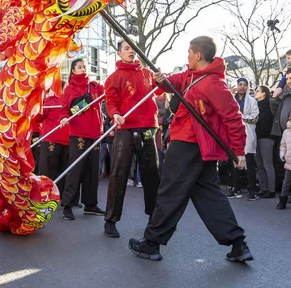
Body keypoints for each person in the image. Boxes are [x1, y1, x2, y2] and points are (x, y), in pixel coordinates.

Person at [128, 36, 252, 263]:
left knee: (170, 192)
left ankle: (152, 242)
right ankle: (237, 244)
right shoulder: (192, 76)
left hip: (187, 145)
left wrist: (239, 150)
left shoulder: (214, 84)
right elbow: (171, 82)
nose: (187, 56)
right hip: (198, 148)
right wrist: (161, 79)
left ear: (198, 55)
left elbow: (234, 118)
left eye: (188, 52)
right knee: (209, 195)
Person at [103, 40, 161, 238]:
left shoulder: (148, 73)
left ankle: (155, 217)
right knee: (119, 173)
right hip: (125, 128)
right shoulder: (113, 78)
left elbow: (162, 90)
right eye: (126, 48)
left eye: (133, 47)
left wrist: (161, 79)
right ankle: (110, 220)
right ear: (119, 53)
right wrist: (115, 114)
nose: (131, 51)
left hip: (147, 129)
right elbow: (111, 101)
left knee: (152, 173)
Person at [59, 59, 106, 220]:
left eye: (84, 66)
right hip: (78, 133)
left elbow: (109, 93)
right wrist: (64, 118)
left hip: (95, 133)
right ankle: (68, 204)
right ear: (73, 70)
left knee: (93, 171)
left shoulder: (94, 86)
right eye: (79, 67)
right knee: (75, 170)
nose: (83, 69)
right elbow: (64, 110)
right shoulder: (70, 89)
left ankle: (90, 204)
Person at [35, 83, 69, 193]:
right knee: (48, 170)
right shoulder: (50, 101)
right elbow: (38, 118)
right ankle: (45, 194)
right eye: (66, 87)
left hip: (67, 141)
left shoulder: (71, 101)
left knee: (64, 170)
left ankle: (62, 195)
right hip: (51, 139)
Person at [228, 78, 259, 200]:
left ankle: (252, 190)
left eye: (245, 85)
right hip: (233, 133)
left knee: (249, 162)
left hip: (248, 133)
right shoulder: (231, 99)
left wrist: (239, 118)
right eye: (240, 84)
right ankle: (236, 189)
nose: (242, 87)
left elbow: (255, 117)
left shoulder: (252, 101)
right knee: (234, 162)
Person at [254, 85, 276, 198]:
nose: (255, 92)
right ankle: (263, 188)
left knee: (267, 164)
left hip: (266, 137)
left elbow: (265, 121)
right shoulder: (256, 105)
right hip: (256, 138)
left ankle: (271, 189)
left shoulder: (268, 105)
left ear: (264, 93)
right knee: (259, 164)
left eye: (258, 91)